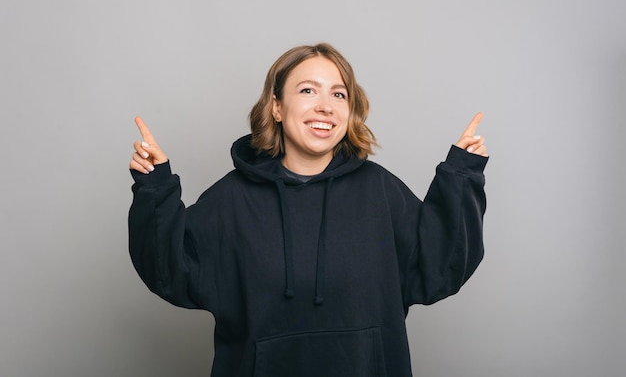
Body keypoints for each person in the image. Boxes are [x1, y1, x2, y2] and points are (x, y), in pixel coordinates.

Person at [128, 43, 488, 377]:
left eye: (338, 94)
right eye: (307, 90)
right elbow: (171, 272)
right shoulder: (231, 199)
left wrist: (461, 174)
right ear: (277, 107)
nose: (325, 106)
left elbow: (440, 266)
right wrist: (155, 187)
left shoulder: (380, 190)